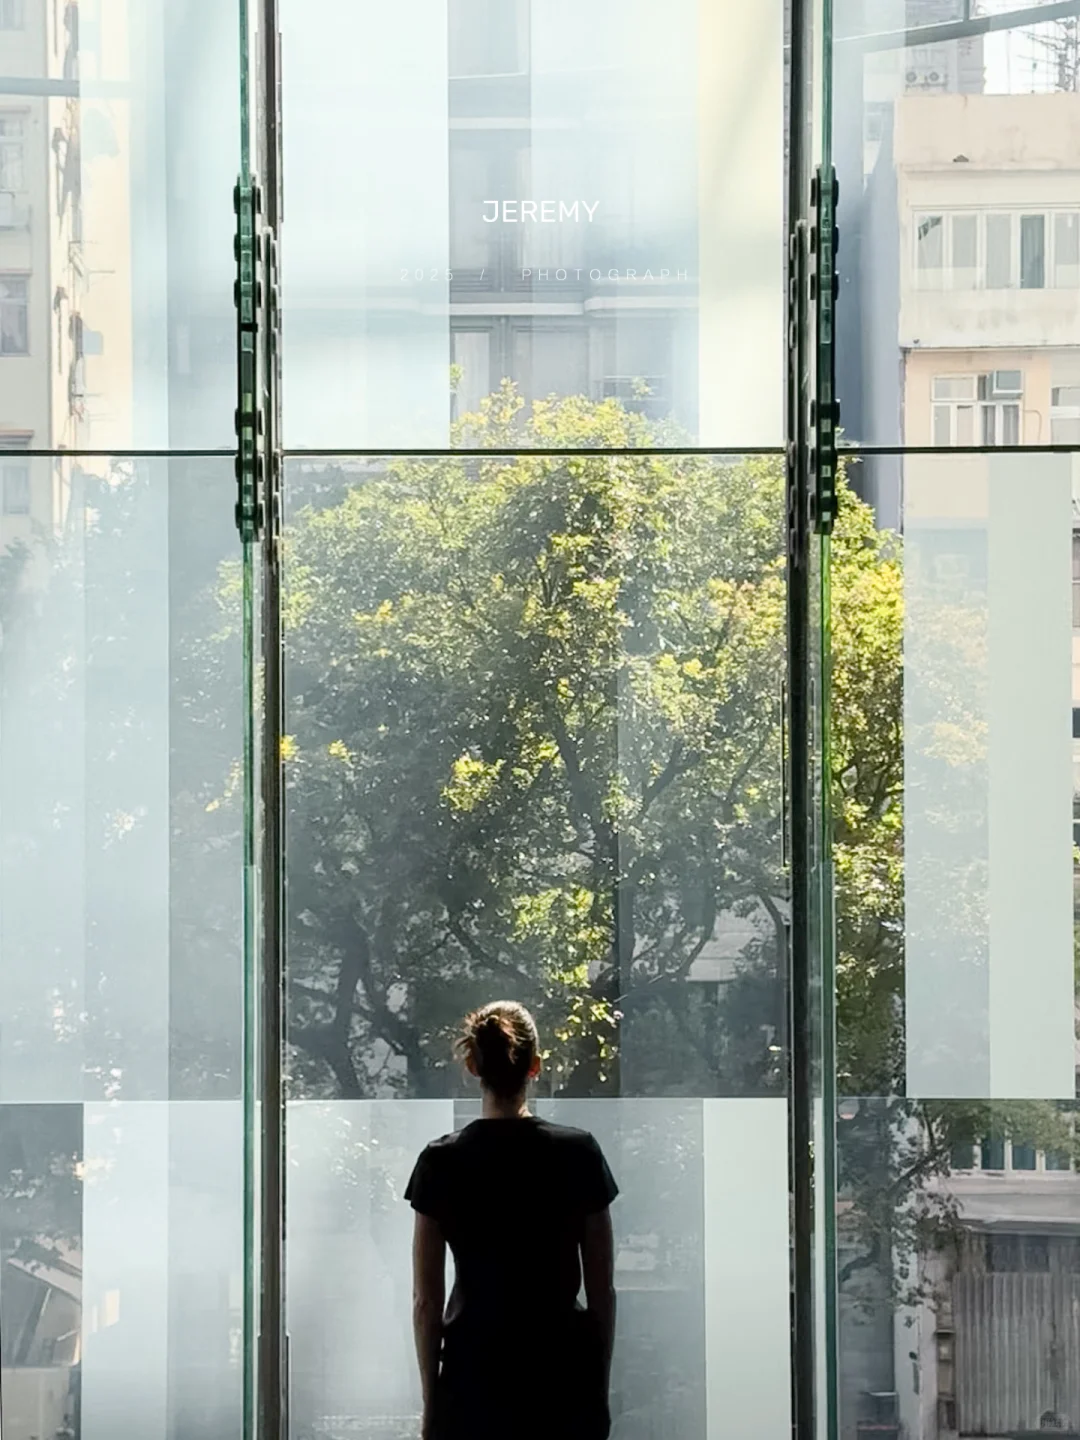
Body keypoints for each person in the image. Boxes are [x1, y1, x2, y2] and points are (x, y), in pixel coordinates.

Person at [406, 1001, 618, 1440]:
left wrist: (432, 1407)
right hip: (560, 1379)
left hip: (473, 1380)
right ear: (535, 1066)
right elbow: (602, 1292)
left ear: (471, 1065)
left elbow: (426, 1302)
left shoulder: (441, 1162)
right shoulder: (578, 1154)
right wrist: (598, 1390)